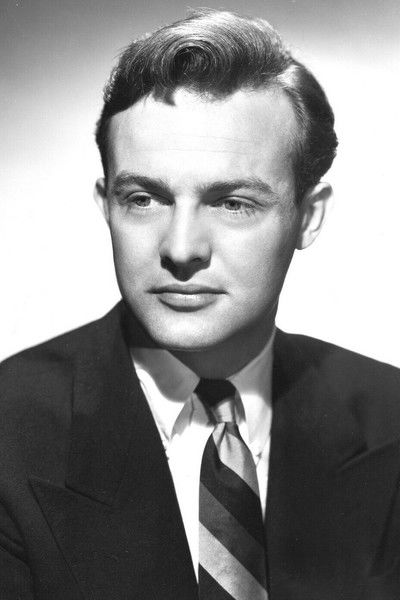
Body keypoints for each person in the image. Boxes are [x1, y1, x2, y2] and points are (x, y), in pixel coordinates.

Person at [0, 8, 399, 600]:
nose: (181, 248)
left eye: (233, 203)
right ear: (106, 204)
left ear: (308, 217)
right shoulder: (10, 431)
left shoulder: (390, 417)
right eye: (143, 198)